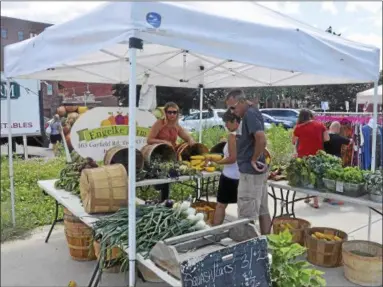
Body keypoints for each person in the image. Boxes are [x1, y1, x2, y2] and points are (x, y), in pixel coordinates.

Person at [226, 89, 272, 235]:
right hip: (257, 173)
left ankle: (248, 251)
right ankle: (266, 242)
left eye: (233, 107)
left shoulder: (250, 114)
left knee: (246, 216)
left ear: (241, 102)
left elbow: (261, 139)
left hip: (250, 173)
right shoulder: (252, 111)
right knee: (263, 210)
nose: (232, 112)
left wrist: (253, 159)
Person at [147, 102, 195, 201]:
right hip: (157, 155)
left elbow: (186, 136)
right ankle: (162, 199)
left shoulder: (176, 125)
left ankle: (164, 202)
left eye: (174, 112)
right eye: (169, 112)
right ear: (165, 112)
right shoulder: (159, 123)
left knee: (167, 179)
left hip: (170, 156)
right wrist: (163, 141)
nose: (172, 115)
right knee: (161, 182)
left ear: (177, 113)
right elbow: (149, 140)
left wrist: (190, 139)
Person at [292, 109, 330, 209]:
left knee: (306, 175)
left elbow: (293, 141)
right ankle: (312, 199)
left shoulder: (298, 127)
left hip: (303, 155)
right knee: (315, 176)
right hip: (317, 154)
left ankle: (311, 199)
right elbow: (327, 139)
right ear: (311, 116)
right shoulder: (320, 125)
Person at [210, 110, 241, 226]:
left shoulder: (232, 136)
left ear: (234, 121)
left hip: (230, 177)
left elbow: (232, 158)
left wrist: (218, 162)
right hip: (242, 176)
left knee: (221, 205)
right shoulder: (245, 133)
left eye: (227, 122)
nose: (226, 126)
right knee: (243, 207)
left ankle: (215, 232)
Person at [324, 121, 352, 205]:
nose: (340, 130)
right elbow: (349, 141)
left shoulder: (325, 136)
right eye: (339, 128)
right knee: (337, 178)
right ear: (337, 128)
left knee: (327, 178)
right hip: (336, 160)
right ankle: (336, 197)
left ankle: (327, 196)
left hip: (325, 160)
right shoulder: (338, 137)